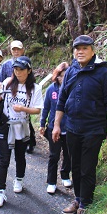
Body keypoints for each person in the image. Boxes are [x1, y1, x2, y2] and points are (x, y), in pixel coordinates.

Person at [52, 35, 107, 214]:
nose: (80, 52)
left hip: (93, 129)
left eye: (84, 48)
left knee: (87, 167)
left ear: (92, 50)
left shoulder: (103, 73)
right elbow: (62, 100)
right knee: (76, 166)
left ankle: (85, 205)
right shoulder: (71, 70)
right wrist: (57, 124)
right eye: (77, 48)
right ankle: (78, 198)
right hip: (72, 127)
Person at [0, 56, 44, 207]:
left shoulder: (35, 88)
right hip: (5, 125)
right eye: (16, 69)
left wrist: (23, 109)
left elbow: (36, 110)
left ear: (29, 70)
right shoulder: (8, 82)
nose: (18, 72)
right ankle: (0, 192)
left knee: (20, 156)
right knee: (4, 159)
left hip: (22, 126)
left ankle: (19, 179)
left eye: (21, 70)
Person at [40, 62, 72, 194]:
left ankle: (65, 175)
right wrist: (42, 124)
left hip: (70, 128)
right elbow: (46, 108)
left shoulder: (73, 89)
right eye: (60, 76)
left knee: (68, 154)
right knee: (54, 156)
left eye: (66, 76)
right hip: (54, 128)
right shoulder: (51, 90)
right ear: (56, 76)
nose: (63, 79)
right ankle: (51, 181)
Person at [0, 40, 36, 153]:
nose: (16, 51)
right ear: (10, 51)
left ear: (22, 50)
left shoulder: (27, 62)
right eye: (14, 49)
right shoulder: (6, 64)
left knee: (25, 121)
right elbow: (1, 82)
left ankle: (30, 142)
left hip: (23, 100)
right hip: (9, 97)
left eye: (18, 49)